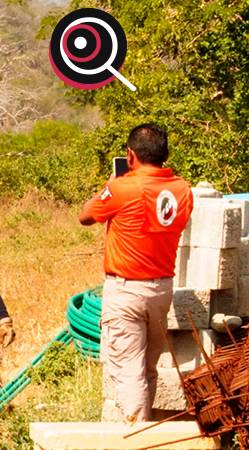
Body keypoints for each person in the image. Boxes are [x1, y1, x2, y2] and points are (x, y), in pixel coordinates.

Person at [79, 123, 193, 423]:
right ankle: (144, 426)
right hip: (161, 290)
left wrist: (109, 186)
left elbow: (86, 216)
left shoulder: (121, 188)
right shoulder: (183, 190)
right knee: (146, 369)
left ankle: (135, 437)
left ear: (130, 155)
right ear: (166, 155)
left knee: (128, 372)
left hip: (126, 291)